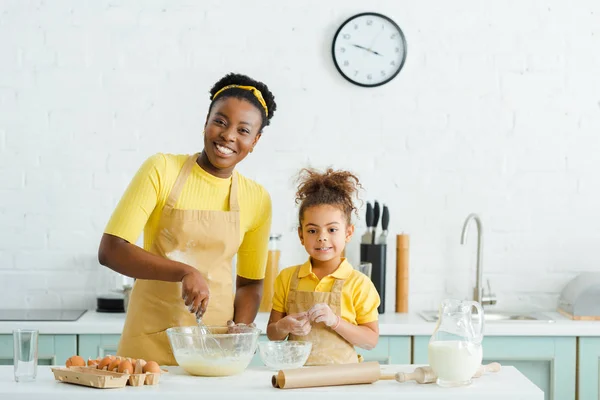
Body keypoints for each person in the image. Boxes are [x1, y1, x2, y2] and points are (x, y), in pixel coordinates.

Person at [98, 73, 277, 365]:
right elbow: (111, 250)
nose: (229, 135)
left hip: (214, 346)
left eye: (243, 130)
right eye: (220, 121)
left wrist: (239, 331)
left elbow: (250, 284)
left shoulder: (257, 199)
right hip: (148, 344)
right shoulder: (162, 170)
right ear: (206, 121)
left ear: (255, 141)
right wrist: (185, 272)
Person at [266, 168, 380, 365]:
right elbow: (273, 334)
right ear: (301, 235)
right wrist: (284, 326)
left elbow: (370, 341)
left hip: (343, 381)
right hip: (298, 380)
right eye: (312, 230)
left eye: (332, 229)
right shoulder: (286, 278)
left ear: (348, 233)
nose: (322, 237)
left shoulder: (359, 284)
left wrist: (335, 322)